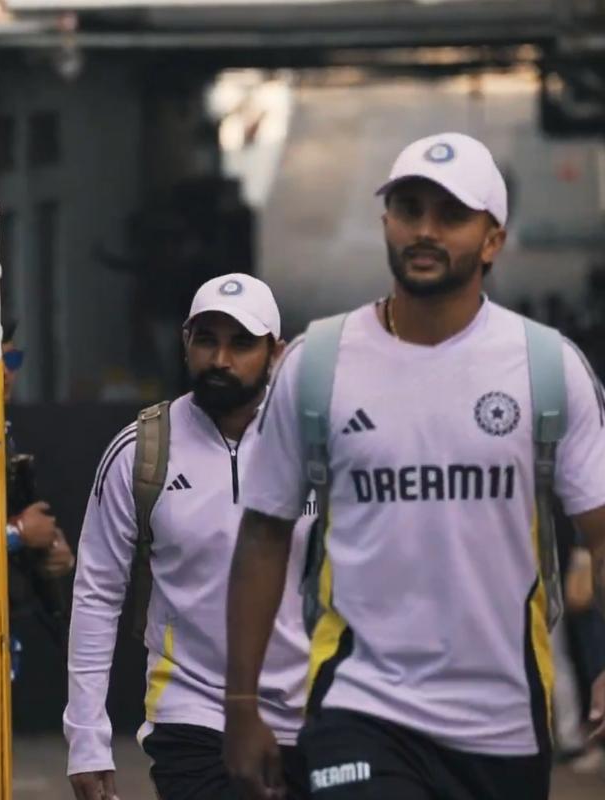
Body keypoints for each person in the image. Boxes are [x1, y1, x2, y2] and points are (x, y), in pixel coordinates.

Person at [224, 132, 605, 800]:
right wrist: (240, 702)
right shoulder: (318, 364)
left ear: (492, 239)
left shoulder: (547, 368)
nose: (425, 230)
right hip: (360, 707)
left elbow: (601, 532)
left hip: (504, 724)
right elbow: (262, 534)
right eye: (409, 208)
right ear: (386, 223)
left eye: (451, 215)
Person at [65, 275, 316, 800]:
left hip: (313, 717)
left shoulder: (318, 448)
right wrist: (86, 737)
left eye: (242, 343)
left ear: (277, 352)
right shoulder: (142, 451)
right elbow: (97, 593)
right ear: (186, 345)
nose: (221, 359)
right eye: (207, 340)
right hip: (194, 718)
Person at [2, 320, 74, 680]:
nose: (6, 373)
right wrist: (17, 533)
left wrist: (48, 549)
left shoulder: (3, 435)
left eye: (12, 360)